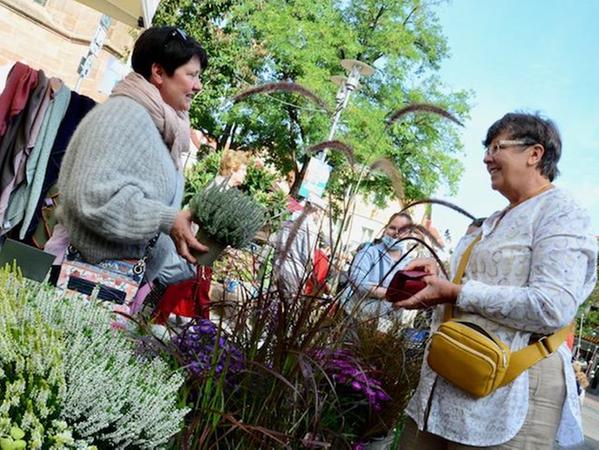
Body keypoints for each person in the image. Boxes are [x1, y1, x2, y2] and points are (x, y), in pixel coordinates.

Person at [394, 113, 597, 449]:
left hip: (508, 393)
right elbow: (480, 281)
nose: (487, 157)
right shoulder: (494, 220)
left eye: (496, 146)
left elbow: (553, 306)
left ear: (535, 154)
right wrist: (437, 274)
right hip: (445, 384)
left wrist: (457, 293)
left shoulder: (562, 211)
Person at [57, 26, 209, 288]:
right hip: (83, 276)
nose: (199, 86)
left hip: (114, 279)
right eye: (192, 75)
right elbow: (93, 197)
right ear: (158, 72)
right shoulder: (123, 115)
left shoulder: (162, 126)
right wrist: (166, 218)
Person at [344, 212, 414, 327]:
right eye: (392, 228)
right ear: (386, 228)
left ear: (410, 234)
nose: (396, 234)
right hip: (358, 319)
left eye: (402, 230)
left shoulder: (410, 263)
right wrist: (392, 294)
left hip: (387, 326)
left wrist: (376, 290)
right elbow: (359, 283)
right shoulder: (368, 253)